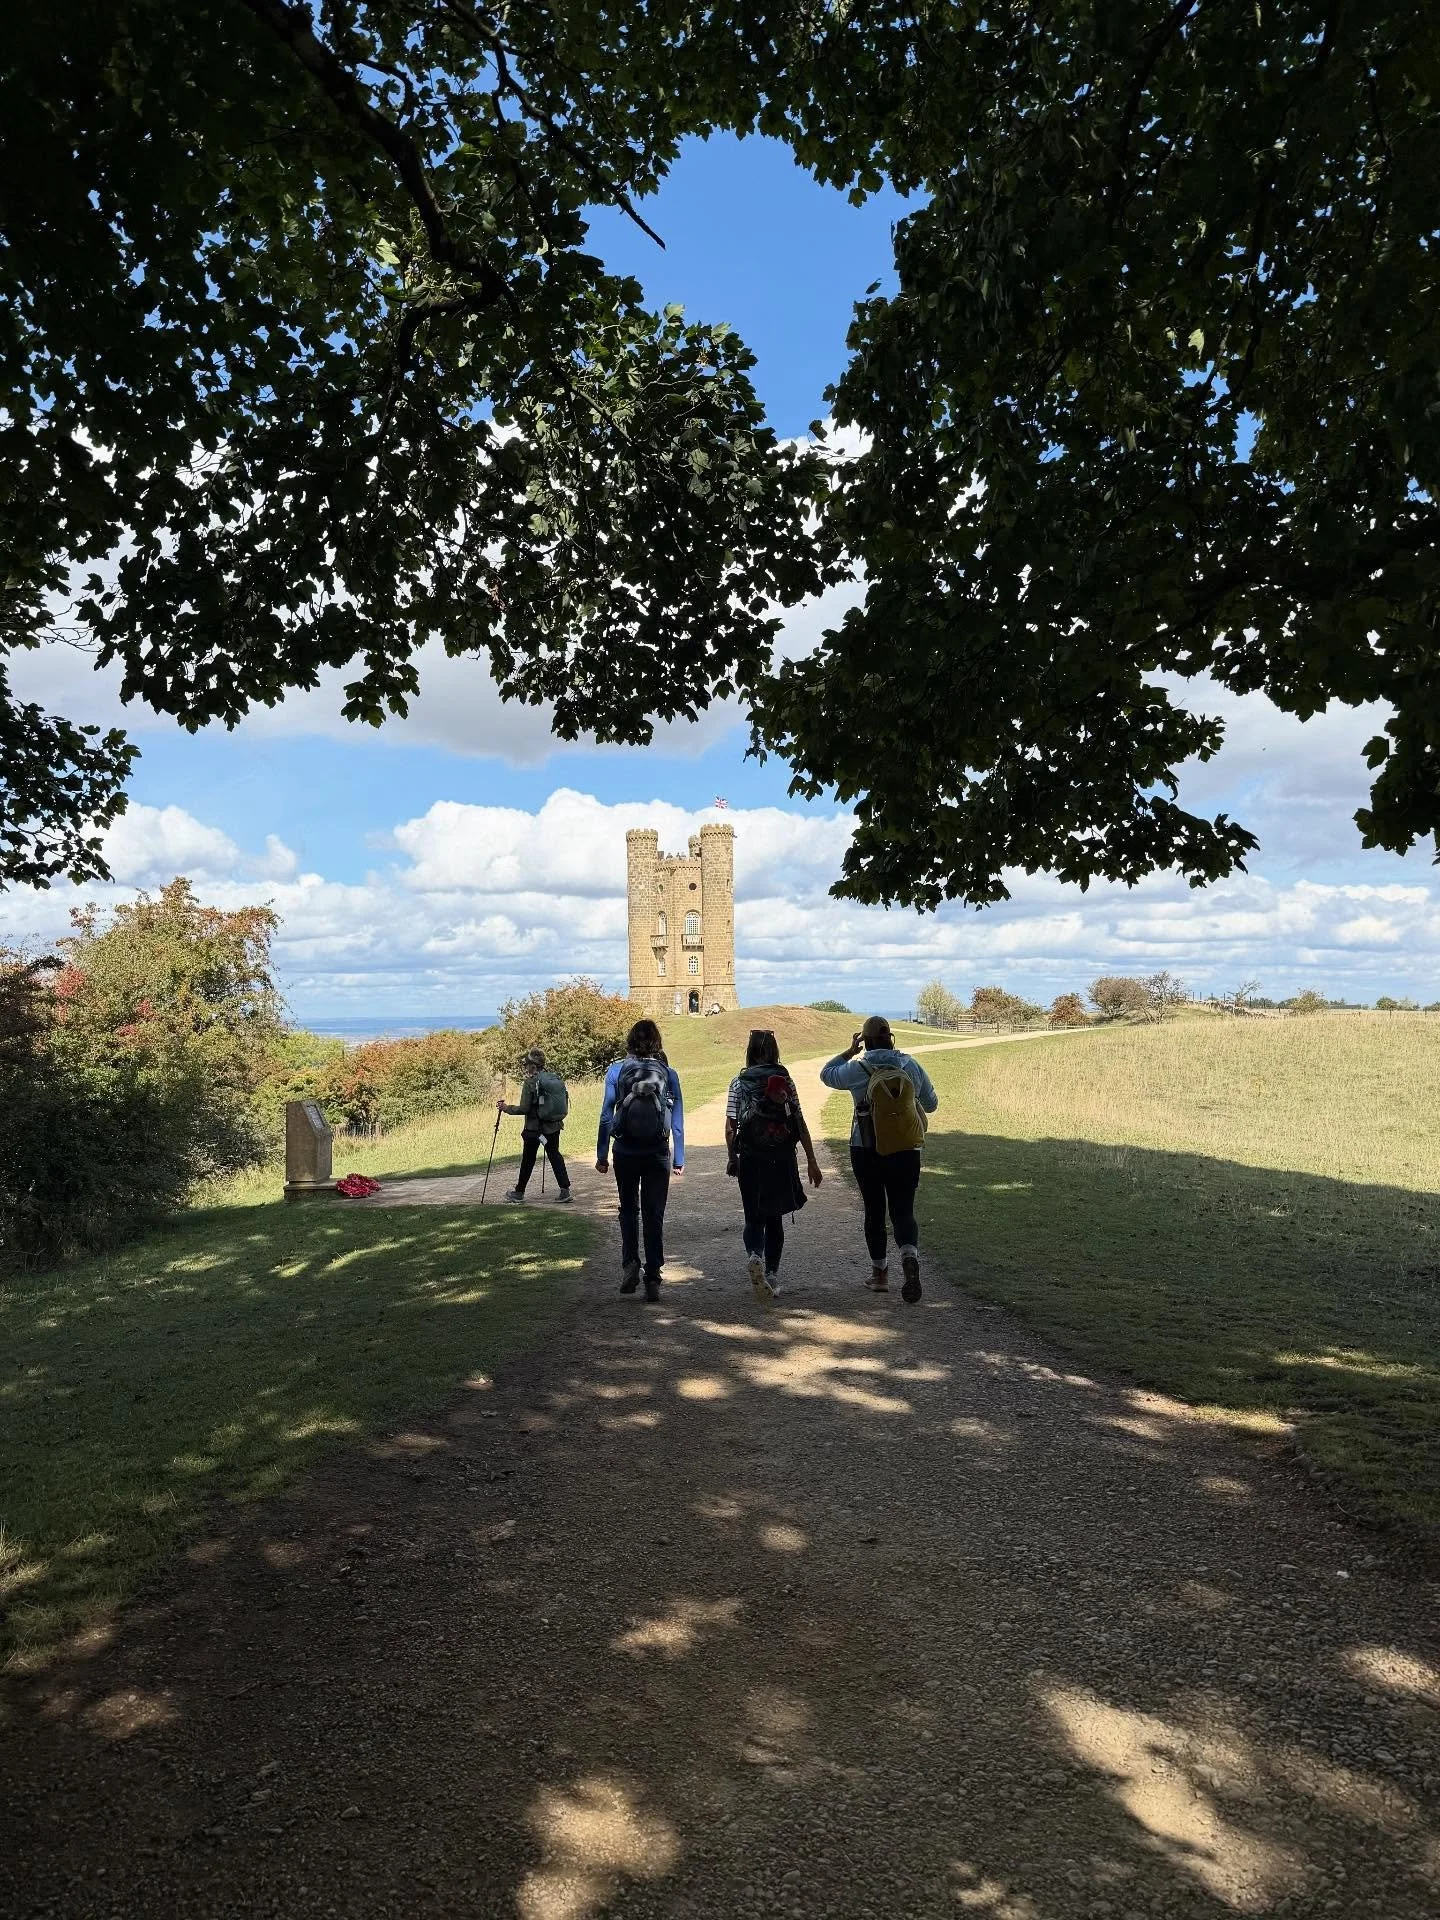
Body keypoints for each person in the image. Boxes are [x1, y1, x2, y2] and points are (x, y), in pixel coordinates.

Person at [821, 1015, 938, 1301]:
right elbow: (931, 1104)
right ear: (891, 1038)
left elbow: (826, 1074)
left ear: (866, 1040)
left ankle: (880, 1274)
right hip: (906, 1149)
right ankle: (909, 1257)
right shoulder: (910, 1065)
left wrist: (850, 1051)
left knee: (874, 1210)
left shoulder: (857, 1068)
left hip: (866, 1147)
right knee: (903, 1210)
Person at [725, 1029, 824, 1302]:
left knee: (753, 1216)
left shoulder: (738, 1082)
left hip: (751, 1158)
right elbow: (799, 1121)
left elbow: (731, 1126)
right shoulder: (785, 1081)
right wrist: (811, 1160)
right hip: (781, 1157)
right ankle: (771, 1273)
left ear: (750, 1052)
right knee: (775, 1218)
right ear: (775, 1051)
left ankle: (755, 1255)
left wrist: (732, 1157)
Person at [596, 1019, 685, 1302]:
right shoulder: (668, 1073)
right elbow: (677, 1119)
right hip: (657, 1151)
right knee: (653, 1213)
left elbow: (606, 1115)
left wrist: (601, 1154)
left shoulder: (616, 1071)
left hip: (625, 1150)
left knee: (628, 1209)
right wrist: (679, 1158)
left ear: (630, 1041)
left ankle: (630, 1265)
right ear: (657, 1042)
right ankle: (654, 1274)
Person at [499, 1049, 572, 1204]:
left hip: (534, 1130)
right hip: (553, 1127)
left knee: (528, 1159)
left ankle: (519, 1193)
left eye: (527, 1064)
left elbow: (524, 1108)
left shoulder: (530, 1082)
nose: (526, 1067)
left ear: (532, 1065)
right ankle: (565, 1190)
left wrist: (506, 1108)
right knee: (554, 1155)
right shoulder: (553, 1077)